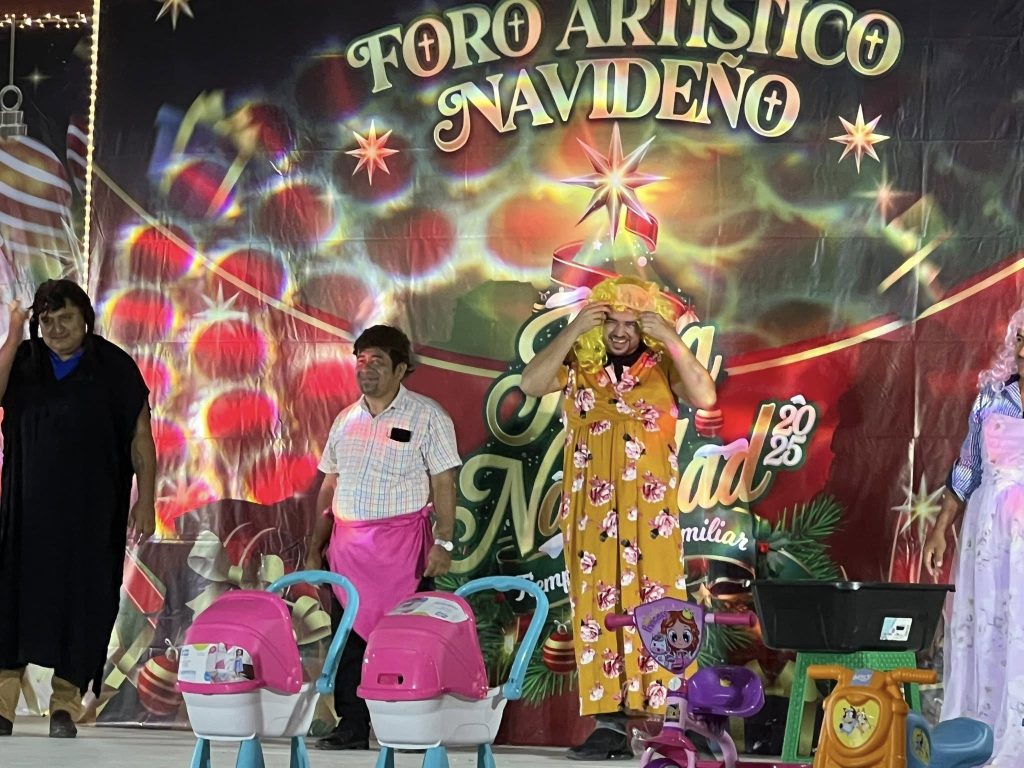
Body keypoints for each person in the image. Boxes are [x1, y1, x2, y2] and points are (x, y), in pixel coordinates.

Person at [520, 276, 716, 761]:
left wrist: (671, 337)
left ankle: (674, 717)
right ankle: (609, 724)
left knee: (662, 603)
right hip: (592, 512)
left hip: (651, 513)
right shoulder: (579, 364)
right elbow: (531, 383)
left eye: (631, 322)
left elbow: (706, 397)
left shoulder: (662, 363)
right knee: (597, 609)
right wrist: (573, 330)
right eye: (611, 321)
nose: (621, 331)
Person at [0, 279, 155, 738]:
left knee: (84, 606)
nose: (56, 328)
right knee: (11, 606)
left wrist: (147, 500)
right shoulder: (24, 361)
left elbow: (141, 439)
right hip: (26, 517)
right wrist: (14, 332)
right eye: (46, 320)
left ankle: (65, 705)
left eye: (65, 317)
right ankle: (2, 706)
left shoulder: (114, 367)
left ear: (85, 318)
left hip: (92, 517)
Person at [304, 325, 461, 750]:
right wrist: (315, 546)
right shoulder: (345, 420)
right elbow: (329, 485)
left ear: (401, 369)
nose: (366, 369)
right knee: (348, 640)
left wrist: (444, 542)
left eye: (377, 361)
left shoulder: (428, 416)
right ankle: (352, 726)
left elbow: (443, 482)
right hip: (348, 552)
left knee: (406, 640)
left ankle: (407, 726)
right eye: (361, 360)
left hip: (404, 552)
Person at [924, 306, 1024, 766]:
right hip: (989, 535)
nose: (1022, 349)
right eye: (1020, 339)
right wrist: (940, 530)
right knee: (990, 625)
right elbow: (967, 468)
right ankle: (981, 731)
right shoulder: (992, 400)